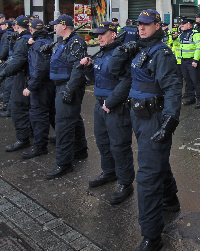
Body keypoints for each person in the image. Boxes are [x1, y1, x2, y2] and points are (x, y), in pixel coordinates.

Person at [108, 9, 182, 251]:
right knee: (157, 162)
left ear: (158, 25)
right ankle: (170, 201)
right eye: (139, 24)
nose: (141, 28)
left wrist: (170, 120)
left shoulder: (161, 53)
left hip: (154, 117)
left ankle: (152, 235)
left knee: (148, 176)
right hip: (137, 115)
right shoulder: (140, 50)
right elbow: (114, 71)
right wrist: (122, 49)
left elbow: (172, 88)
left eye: (147, 24)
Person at [80, 21, 135, 205]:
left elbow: (127, 81)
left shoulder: (121, 53)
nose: (99, 37)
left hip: (115, 107)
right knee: (103, 142)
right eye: (98, 34)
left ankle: (126, 183)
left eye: (103, 34)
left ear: (113, 34)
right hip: (100, 105)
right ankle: (109, 172)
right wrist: (88, 67)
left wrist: (110, 102)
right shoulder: (102, 53)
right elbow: (96, 79)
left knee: (119, 146)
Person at [46, 14, 89, 179]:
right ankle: (80, 150)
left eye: (55, 25)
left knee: (63, 124)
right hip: (62, 86)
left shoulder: (75, 42)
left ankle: (64, 163)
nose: (53, 28)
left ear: (63, 26)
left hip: (67, 86)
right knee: (73, 119)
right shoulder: (63, 42)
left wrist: (69, 89)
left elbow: (78, 69)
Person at [0, 16, 32, 152]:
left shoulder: (22, 40)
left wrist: (3, 75)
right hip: (27, 76)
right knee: (29, 108)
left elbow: (17, 60)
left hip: (23, 77)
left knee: (18, 108)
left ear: (16, 26)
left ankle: (23, 138)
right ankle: (30, 133)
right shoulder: (24, 39)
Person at [21, 18, 56, 159]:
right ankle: (59, 137)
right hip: (51, 82)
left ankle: (40, 146)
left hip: (41, 85)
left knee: (38, 115)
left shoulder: (37, 45)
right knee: (53, 113)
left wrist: (31, 86)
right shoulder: (48, 41)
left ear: (31, 30)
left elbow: (39, 68)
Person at [176, 18, 200, 109]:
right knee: (188, 81)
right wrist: (174, 38)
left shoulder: (196, 34)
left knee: (196, 81)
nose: (181, 26)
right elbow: (178, 45)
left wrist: (195, 60)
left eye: (183, 24)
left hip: (192, 61)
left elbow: (199, 47)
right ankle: (191, 98)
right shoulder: (181, 34)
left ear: (189, 25)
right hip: (183, 61)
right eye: (181, 24)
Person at [0, 20, 15, 116]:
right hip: (11, 60)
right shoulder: (12, 35)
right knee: (8, 85)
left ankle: (8, 107)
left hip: (12, 62)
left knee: (9, 86)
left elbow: (6, 48)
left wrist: (1, 58)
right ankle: (6, 105)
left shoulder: (9, 34)